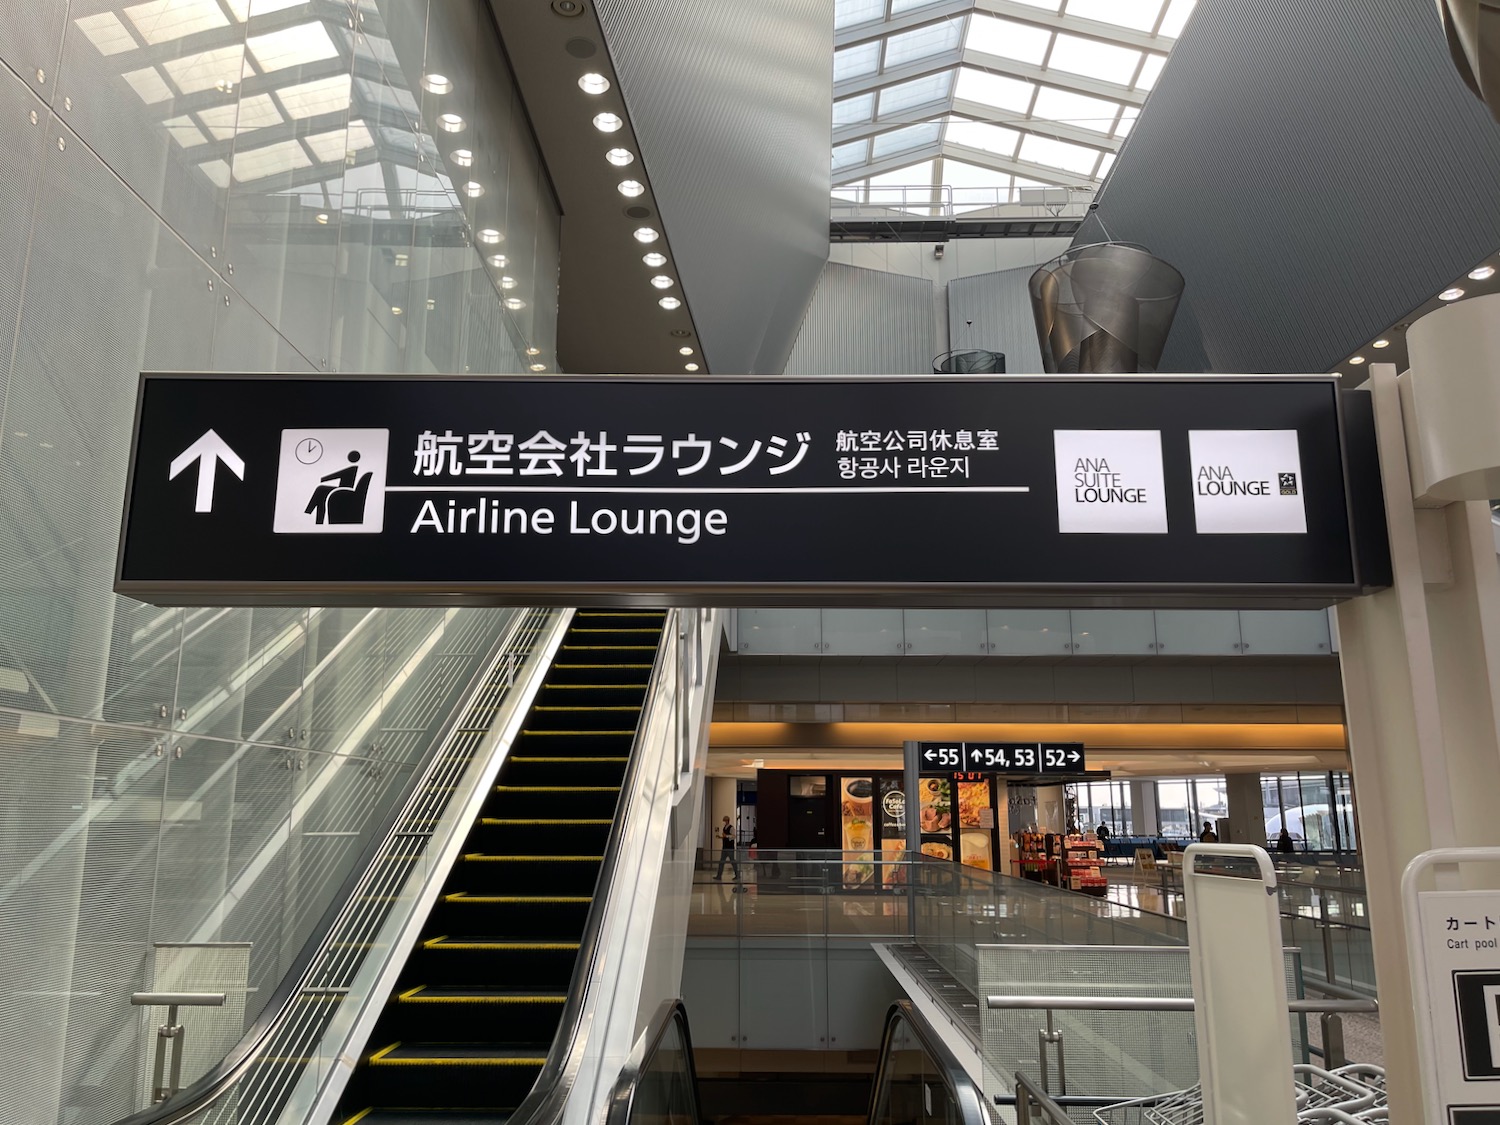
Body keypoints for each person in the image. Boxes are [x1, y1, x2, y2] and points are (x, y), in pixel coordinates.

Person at [713, 815, 739, 881]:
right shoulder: (724, 828)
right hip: (724, 847)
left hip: (730, 848)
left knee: (732, 861)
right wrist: (721, 837)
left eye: (724, 821)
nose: (723, 822)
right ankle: (719, 876)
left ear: (727, 821)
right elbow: (725, 837)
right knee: (721, 862)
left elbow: (733, 836)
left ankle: (737, 875)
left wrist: (726, 836)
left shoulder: (731, 828)